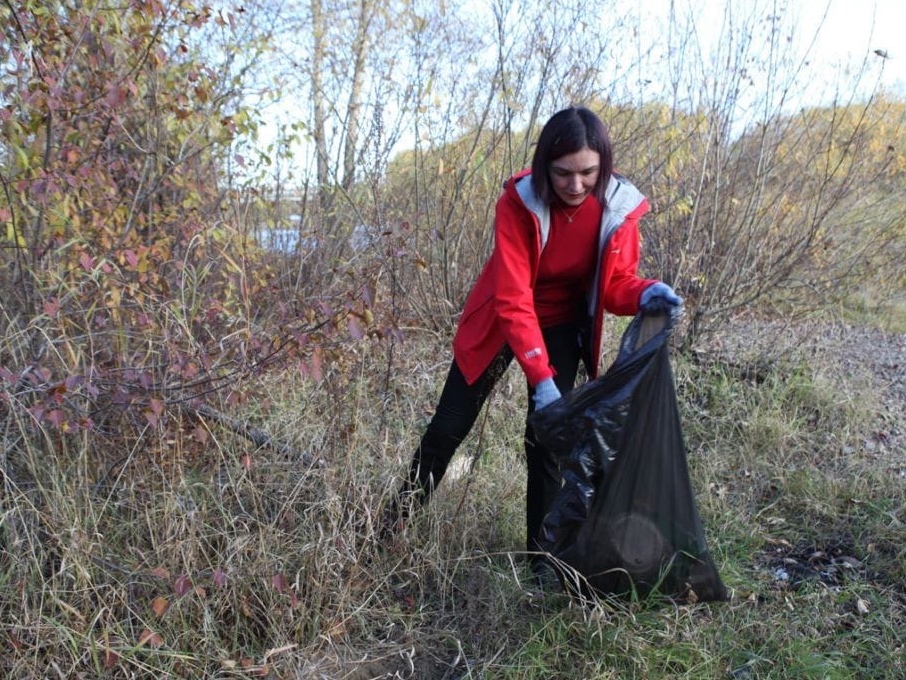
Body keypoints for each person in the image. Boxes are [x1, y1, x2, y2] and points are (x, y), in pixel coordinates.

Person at [385, 106, 682, 569]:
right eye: (563, 173)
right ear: (545, 165)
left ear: (603, 164)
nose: (576, 185)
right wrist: (541, 379)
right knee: (447, 428)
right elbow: (513, 296)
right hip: (501, 321)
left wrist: (647, 292)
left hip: (561, 325)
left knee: (545, 441)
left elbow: (614, 285)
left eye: (588, 172)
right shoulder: (519, 202)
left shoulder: (619, 209)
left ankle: (540, 560)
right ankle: (389, 528)